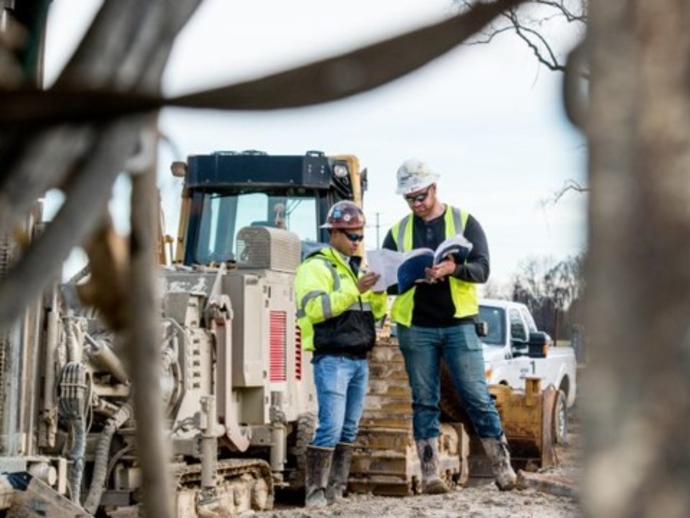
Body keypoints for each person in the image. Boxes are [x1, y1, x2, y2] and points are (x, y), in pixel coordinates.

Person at [382, 158, 517, 493]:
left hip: (459, 325)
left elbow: (482, 269)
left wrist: (452, 269)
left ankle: (503, 468)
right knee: (425, 399)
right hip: (416, 327)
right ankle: (430, 473)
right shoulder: (398, 231)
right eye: (409, 199)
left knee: (476, 396)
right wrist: (397, 278)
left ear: (434, 188)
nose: (416, 204)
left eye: (421, 197)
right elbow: (387, 282)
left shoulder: (464, 222)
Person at [295, 200, 387, 508]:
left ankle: (336, 490)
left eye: (360, 236)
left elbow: (373, 316)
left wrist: (379, 294)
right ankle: (315, 493)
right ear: (334, 233)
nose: (357, 242)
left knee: (349, 428)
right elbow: (316, 309)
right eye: (352, 236)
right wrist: (356, 289)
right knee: (330, 427)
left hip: (359, 359)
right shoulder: (315, 267)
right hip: (333, 358)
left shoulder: (354, 270)